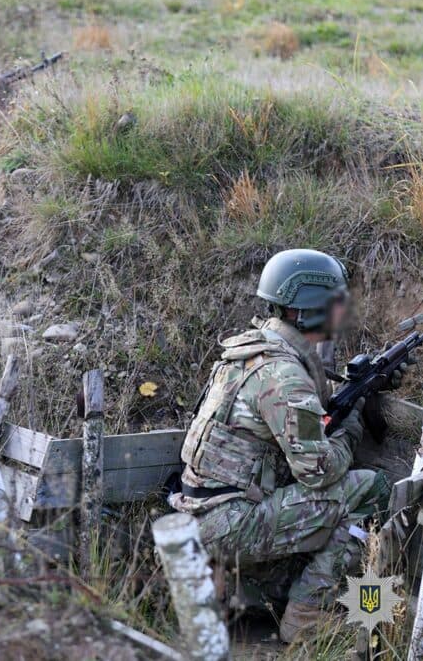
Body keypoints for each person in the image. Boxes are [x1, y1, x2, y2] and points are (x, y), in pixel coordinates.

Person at [169, 249, 402, 643]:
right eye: (334, 303)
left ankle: (269, 596)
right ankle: (307, 618)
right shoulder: (284, 374)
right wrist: (352, 427)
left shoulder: (249, 353)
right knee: (371, 489)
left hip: (200, 513)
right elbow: (320, 473)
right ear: (306, 309)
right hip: (230, 525)